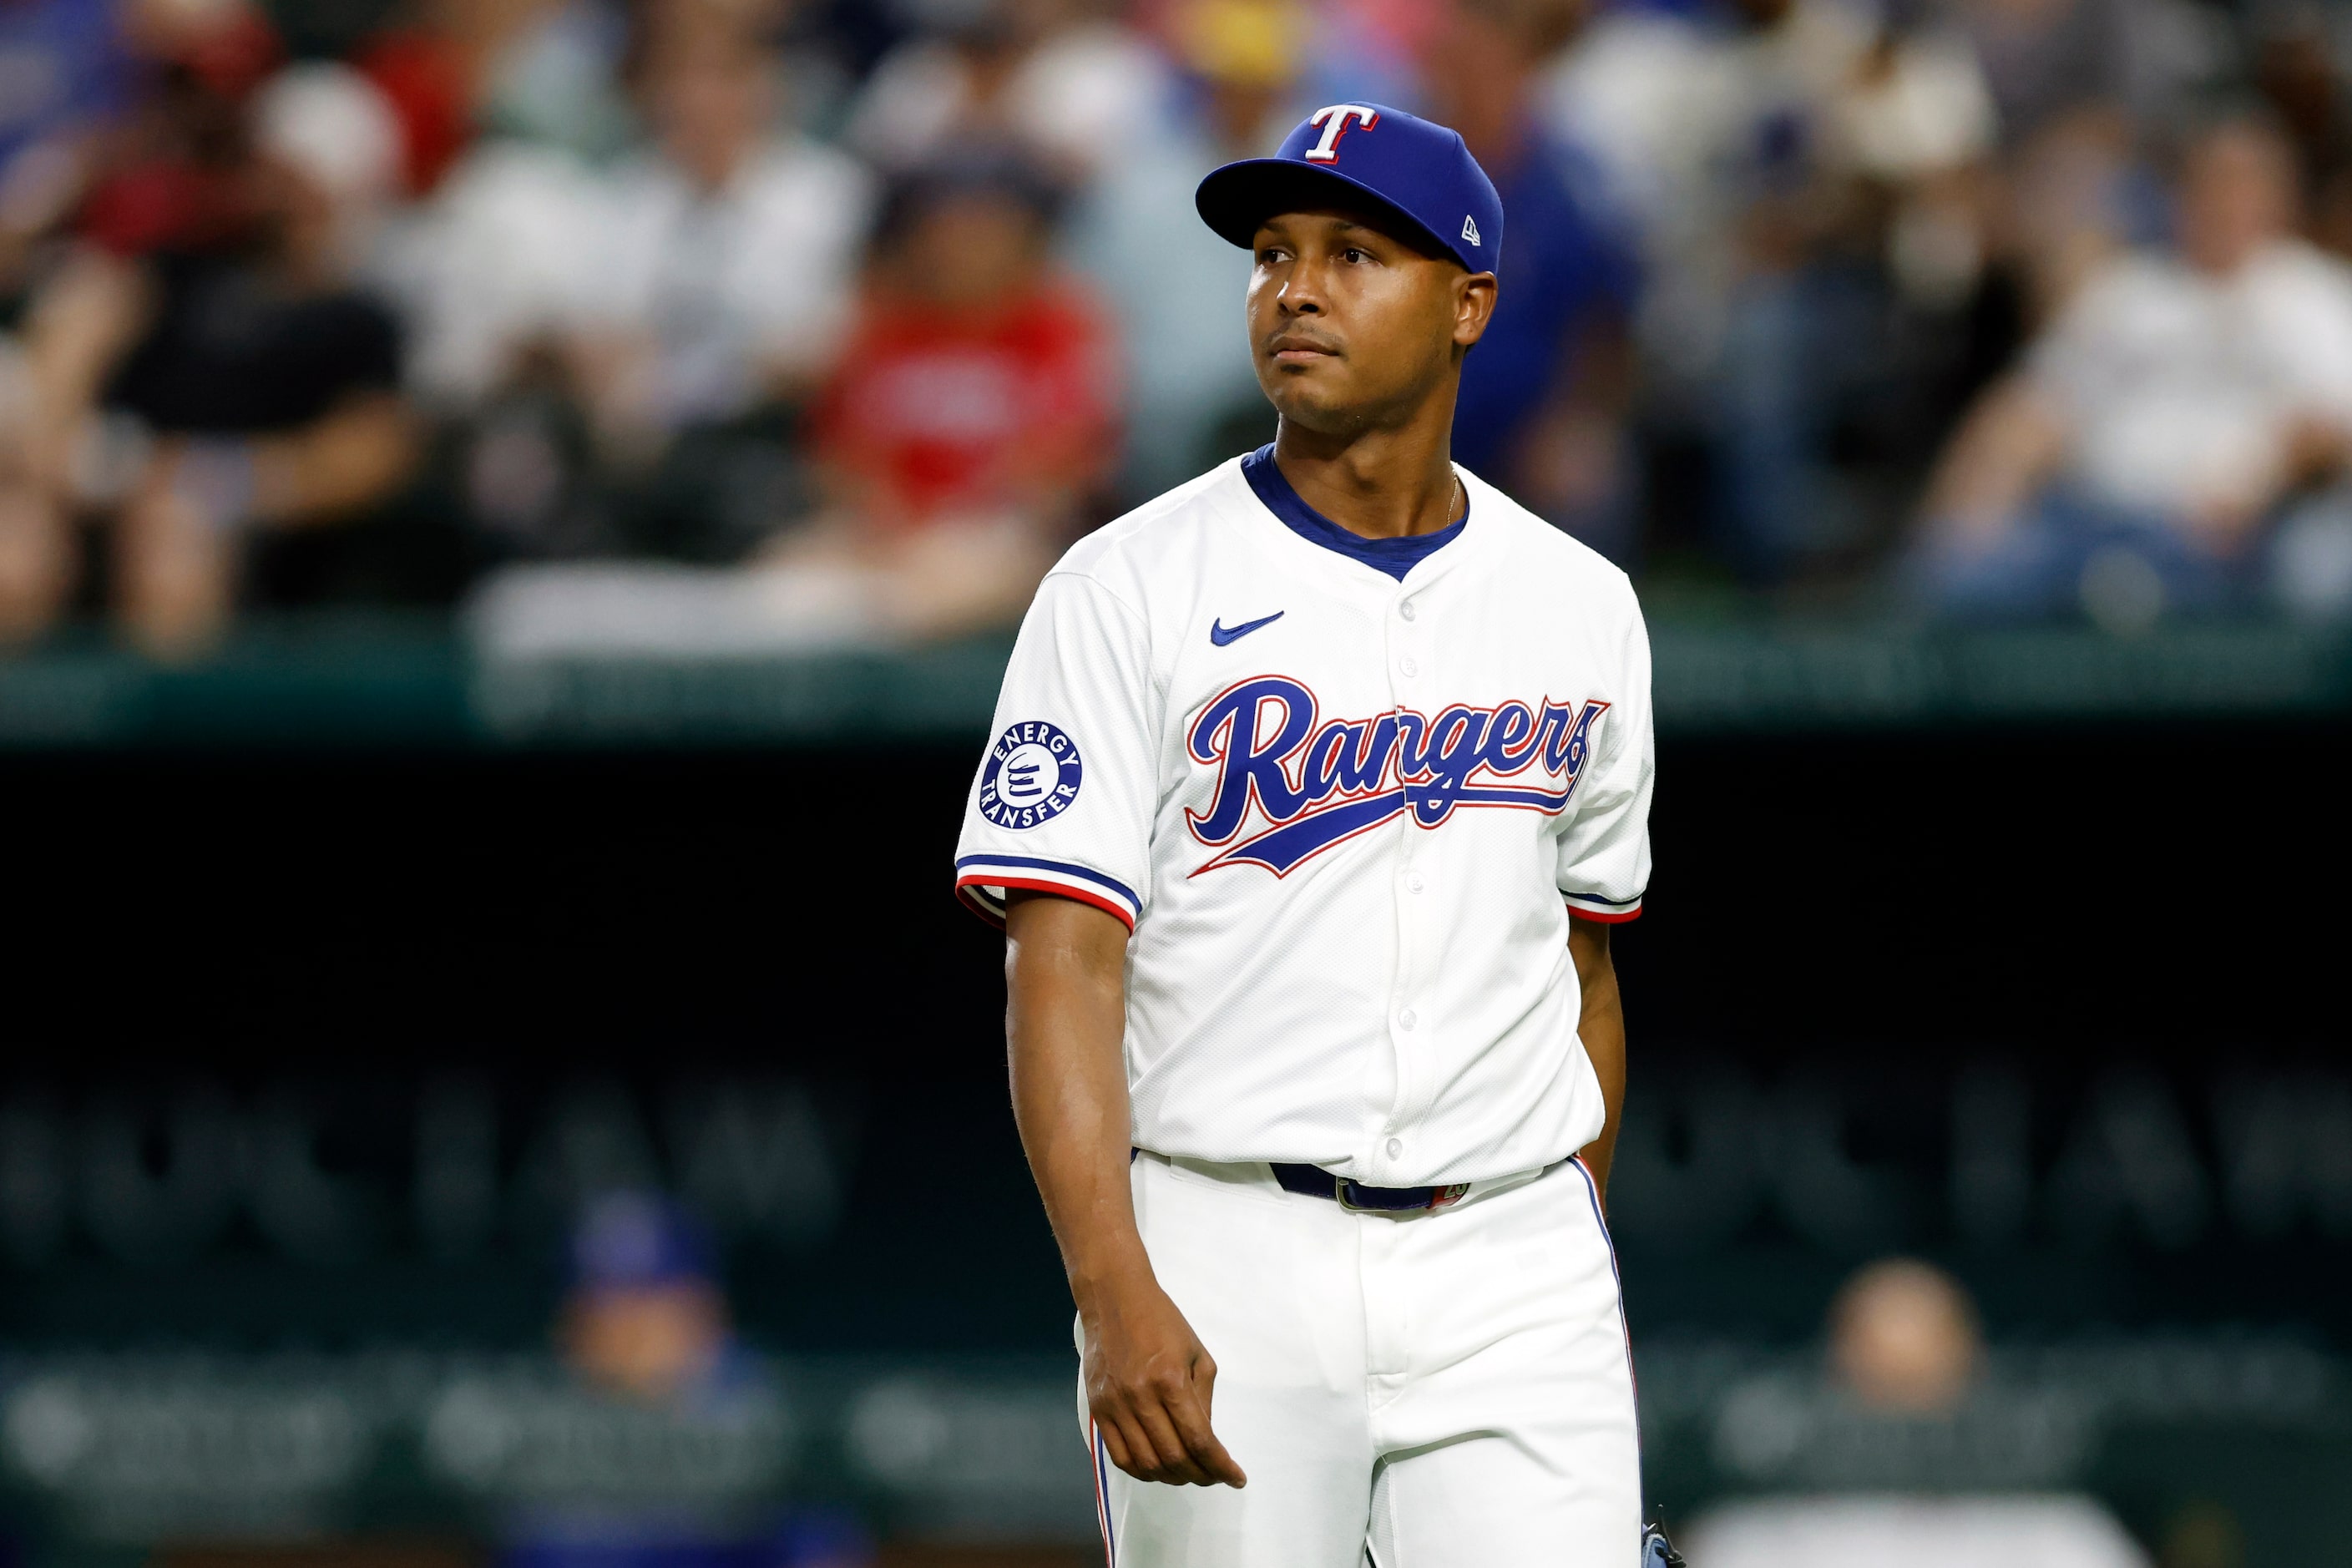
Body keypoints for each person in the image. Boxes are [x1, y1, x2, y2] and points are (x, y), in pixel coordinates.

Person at [952, 104, 1655, 1564]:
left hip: (1508, 1254)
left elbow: (1584, 965)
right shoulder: (1125, 583)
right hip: (1227, 1237)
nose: (1297, 288)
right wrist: (1113, 1286)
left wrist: (1553, 1242)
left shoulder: (1580, 600)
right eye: (1273, 253)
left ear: (1467, 304)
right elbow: (1061, 967)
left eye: (1354, 254)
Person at [1913, 114, 2352, 623]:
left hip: (2233, 539)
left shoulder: (2312, 296)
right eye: (2209, 182)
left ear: (2280, 199)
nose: (2224, 201)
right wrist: (1968, 511)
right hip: (2087, 526)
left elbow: (2333, 428)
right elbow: (2030, 413)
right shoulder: (2125, 292)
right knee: (1960, 576)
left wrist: (2258, 482)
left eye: (2242, 183)